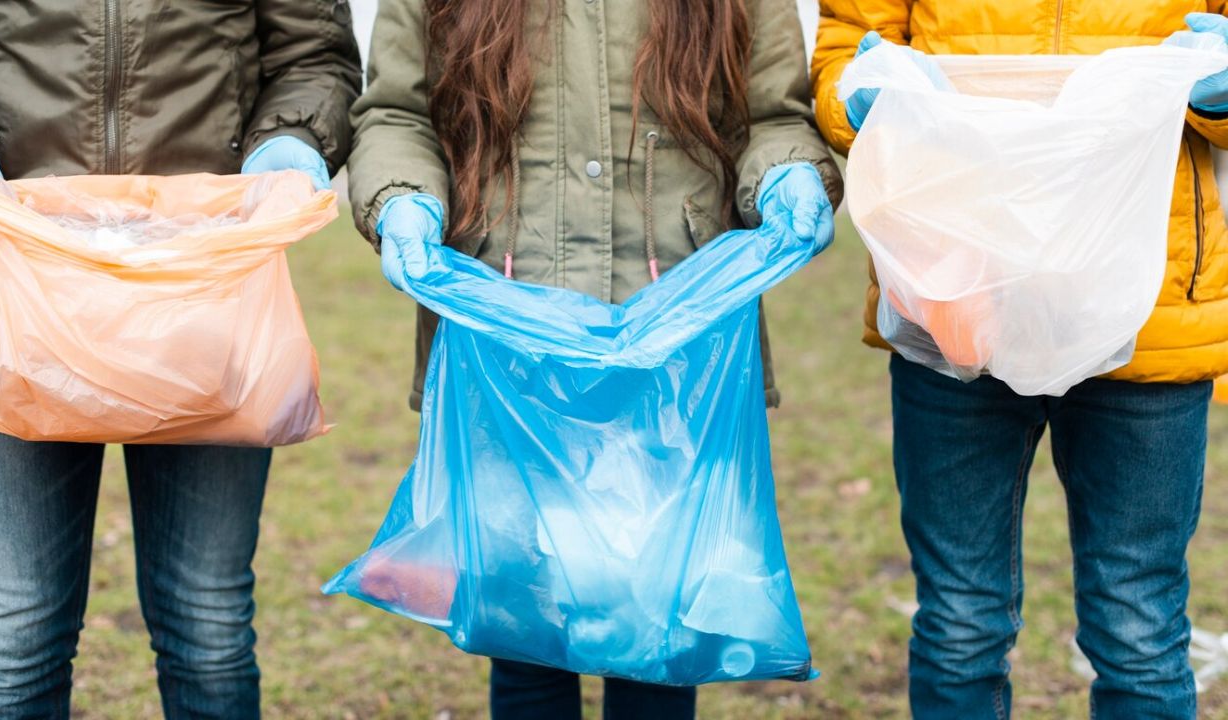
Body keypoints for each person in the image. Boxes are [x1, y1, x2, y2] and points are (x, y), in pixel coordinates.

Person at [346, 0, 841, 716]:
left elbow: (772, 117)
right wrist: (402, 199)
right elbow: (397, 112)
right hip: (509, 346)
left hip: (675, 357)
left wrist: (786, 174)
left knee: (660, 635)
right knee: (522, 633)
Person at [812, 3, 1228, 719]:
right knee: (959, 622)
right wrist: (858, 95)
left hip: (1146, 312)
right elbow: (843, 43)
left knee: (1139, 627)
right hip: (960, 301)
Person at [0, 3, 361, 717]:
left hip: (205, 292)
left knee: (207, 622)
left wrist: (290, 141)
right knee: (17, 628)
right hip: (23, 289)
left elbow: (313, 55)